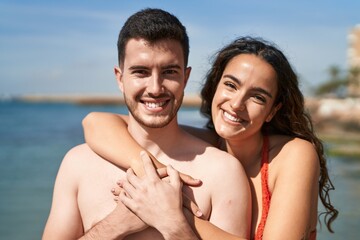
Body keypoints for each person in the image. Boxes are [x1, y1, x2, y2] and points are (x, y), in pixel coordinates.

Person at [82, 36, 338, 239]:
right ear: (215, 86)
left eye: (258, 97)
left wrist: (171, 213)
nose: (237, 104)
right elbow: (95, 122)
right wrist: (157, 176)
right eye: (231, 85)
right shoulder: (210, 145)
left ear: (272, 111)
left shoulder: (294, 155)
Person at [42, 8, 251, 240]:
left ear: (185, 77)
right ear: (120, 79)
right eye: (140, 72)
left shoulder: (222, 172)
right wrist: (118, 223)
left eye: (169, 71)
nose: (154, 88)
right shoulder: (77, 164)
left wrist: (172, 223)